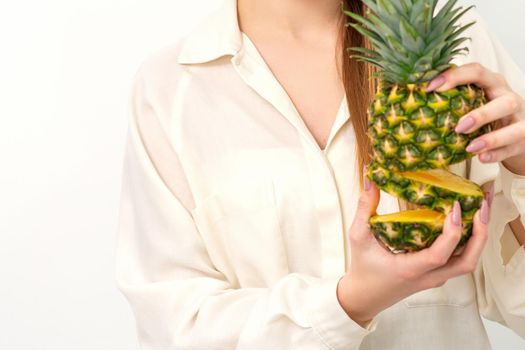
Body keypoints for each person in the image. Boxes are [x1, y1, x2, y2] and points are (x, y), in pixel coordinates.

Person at [114, 0, 525, 348]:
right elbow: (175, 328)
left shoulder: (455, 50)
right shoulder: (169, 89)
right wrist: (348, 303)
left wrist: (522, 166)